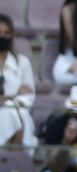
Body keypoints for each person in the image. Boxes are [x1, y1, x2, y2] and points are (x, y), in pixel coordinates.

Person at [0, 14, 38, 148]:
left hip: (16, 110)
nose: (2, 36)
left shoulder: (23, 62)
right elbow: (21, 91)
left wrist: (10, 101)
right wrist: (15, 93)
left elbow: (29, 95)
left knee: (12, 113)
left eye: (7, 33)